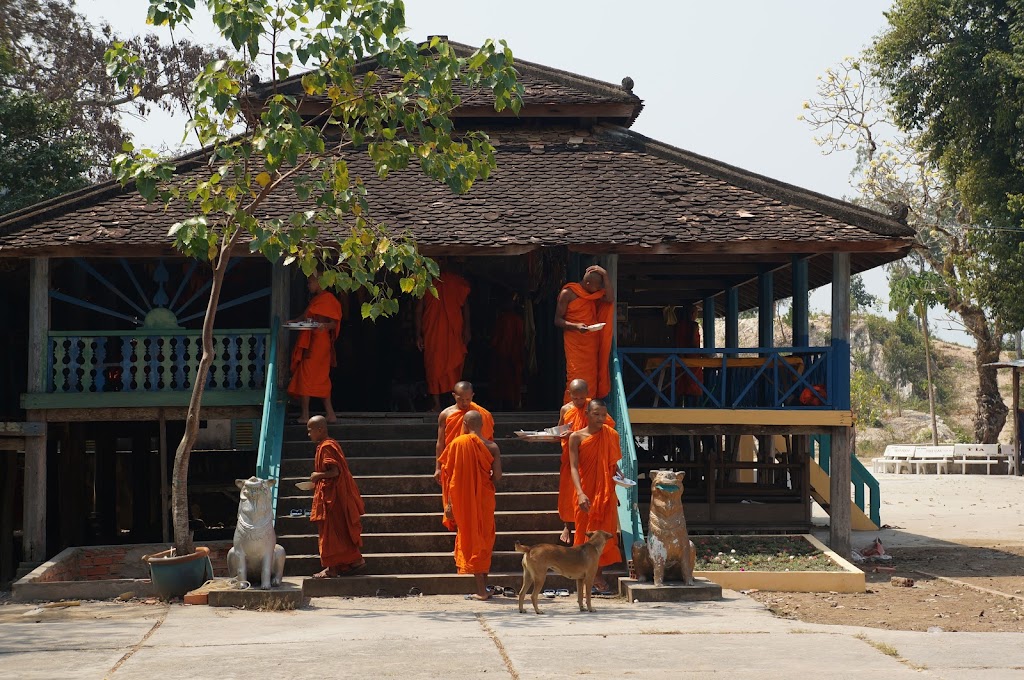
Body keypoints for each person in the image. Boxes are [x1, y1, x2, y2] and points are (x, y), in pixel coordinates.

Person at [438, 409, 502, 600]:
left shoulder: (457, 444)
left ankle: (481, 591)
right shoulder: (492, 446)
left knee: (471, 537)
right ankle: (484, 588)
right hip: (484, 499)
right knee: (484, 538)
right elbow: (497, 476)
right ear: (482, 425)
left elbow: (451, 477)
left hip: (463, 500)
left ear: (464, 424)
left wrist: (449, 505)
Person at [568, 398, 622, 594]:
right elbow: (573, 467)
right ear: (587, 414)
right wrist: (580, 492)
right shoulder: (576, 437)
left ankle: (597, 575)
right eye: (596, 414)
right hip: (585, 492)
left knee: (604, 536)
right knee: (584, 534)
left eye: (603, 415)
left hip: (605, 493)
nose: (600, 418)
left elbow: (611, 463)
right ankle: (583, 576)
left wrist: (618, 474)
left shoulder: (611, 435)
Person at [556, 378, 614, 545]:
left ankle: (587, 528)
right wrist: (564, 435)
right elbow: (559, 429)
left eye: (582, 398)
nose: (579, 402)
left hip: (592, 456)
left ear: (587, 395)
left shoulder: (594, 409)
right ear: (569, 395)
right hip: (571, 455)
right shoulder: (565, 409)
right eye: (576, 398)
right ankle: (567, 525)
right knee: (569, 494)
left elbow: (606, 428)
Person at [306, 415, 365, 578]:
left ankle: (333, 568)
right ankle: (352, 561)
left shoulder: (327, 447)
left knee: (331, 532)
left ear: (321, 429)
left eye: (310, 430)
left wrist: (317, 476)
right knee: (338, 531)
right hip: (331, 494)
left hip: (332, 498)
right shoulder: (325, 445)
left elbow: (335, 472)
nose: (309, 434)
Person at [433, 381, 494, 519]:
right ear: (454, 395)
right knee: (453, 503)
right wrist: (438, 467)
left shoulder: (481, 414)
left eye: (468, 399)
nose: (465, 403)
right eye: (461, 399)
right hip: (453, 464)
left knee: (473, 504)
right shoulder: (446, 414)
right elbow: (440, 442)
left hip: (475, 465)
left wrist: (489, 464)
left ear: (473, 395)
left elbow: (488, 441)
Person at [416, 267, 472, 412]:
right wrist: (418, 334)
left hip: (452, 332)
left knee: (453, 365)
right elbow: (419, 309)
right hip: (433, 332)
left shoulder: (454, 281)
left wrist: (467, 329)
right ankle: (436, 404)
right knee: (433, 367)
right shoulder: (426, 283)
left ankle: (456, 403)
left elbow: (465, 306)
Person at [288, 274, 342, 424]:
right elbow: (306, 316)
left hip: (320, 343)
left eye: (310, 282)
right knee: (318, 378)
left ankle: (305, 415)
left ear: (319, 282)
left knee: (306, 376)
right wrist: (293, 321)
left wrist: (323, 326)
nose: (308, 285)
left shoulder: (329, 299)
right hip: (312, 340)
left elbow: (334, 323)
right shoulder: (316, 299)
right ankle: (330, 414)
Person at [554, 264, 614, 400]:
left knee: (590, 379)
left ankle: (587, 416)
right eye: (597, 286)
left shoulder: (591, 294)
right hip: (575, 341)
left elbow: (610, 298)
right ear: (587, 283)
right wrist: (576, 326)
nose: (599, 290)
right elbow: (557, 320)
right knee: (575, 378)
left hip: (591, 343)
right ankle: (571, 415)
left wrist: (605, 274)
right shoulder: (568, 293)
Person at [490, 295, 525, 410]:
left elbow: (496, 339)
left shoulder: (503, 319)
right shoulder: (518, 319)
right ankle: (514, 403)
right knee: (513, 380)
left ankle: (504, 403)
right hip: (515, 354)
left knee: (503, 381)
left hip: (503, 354)